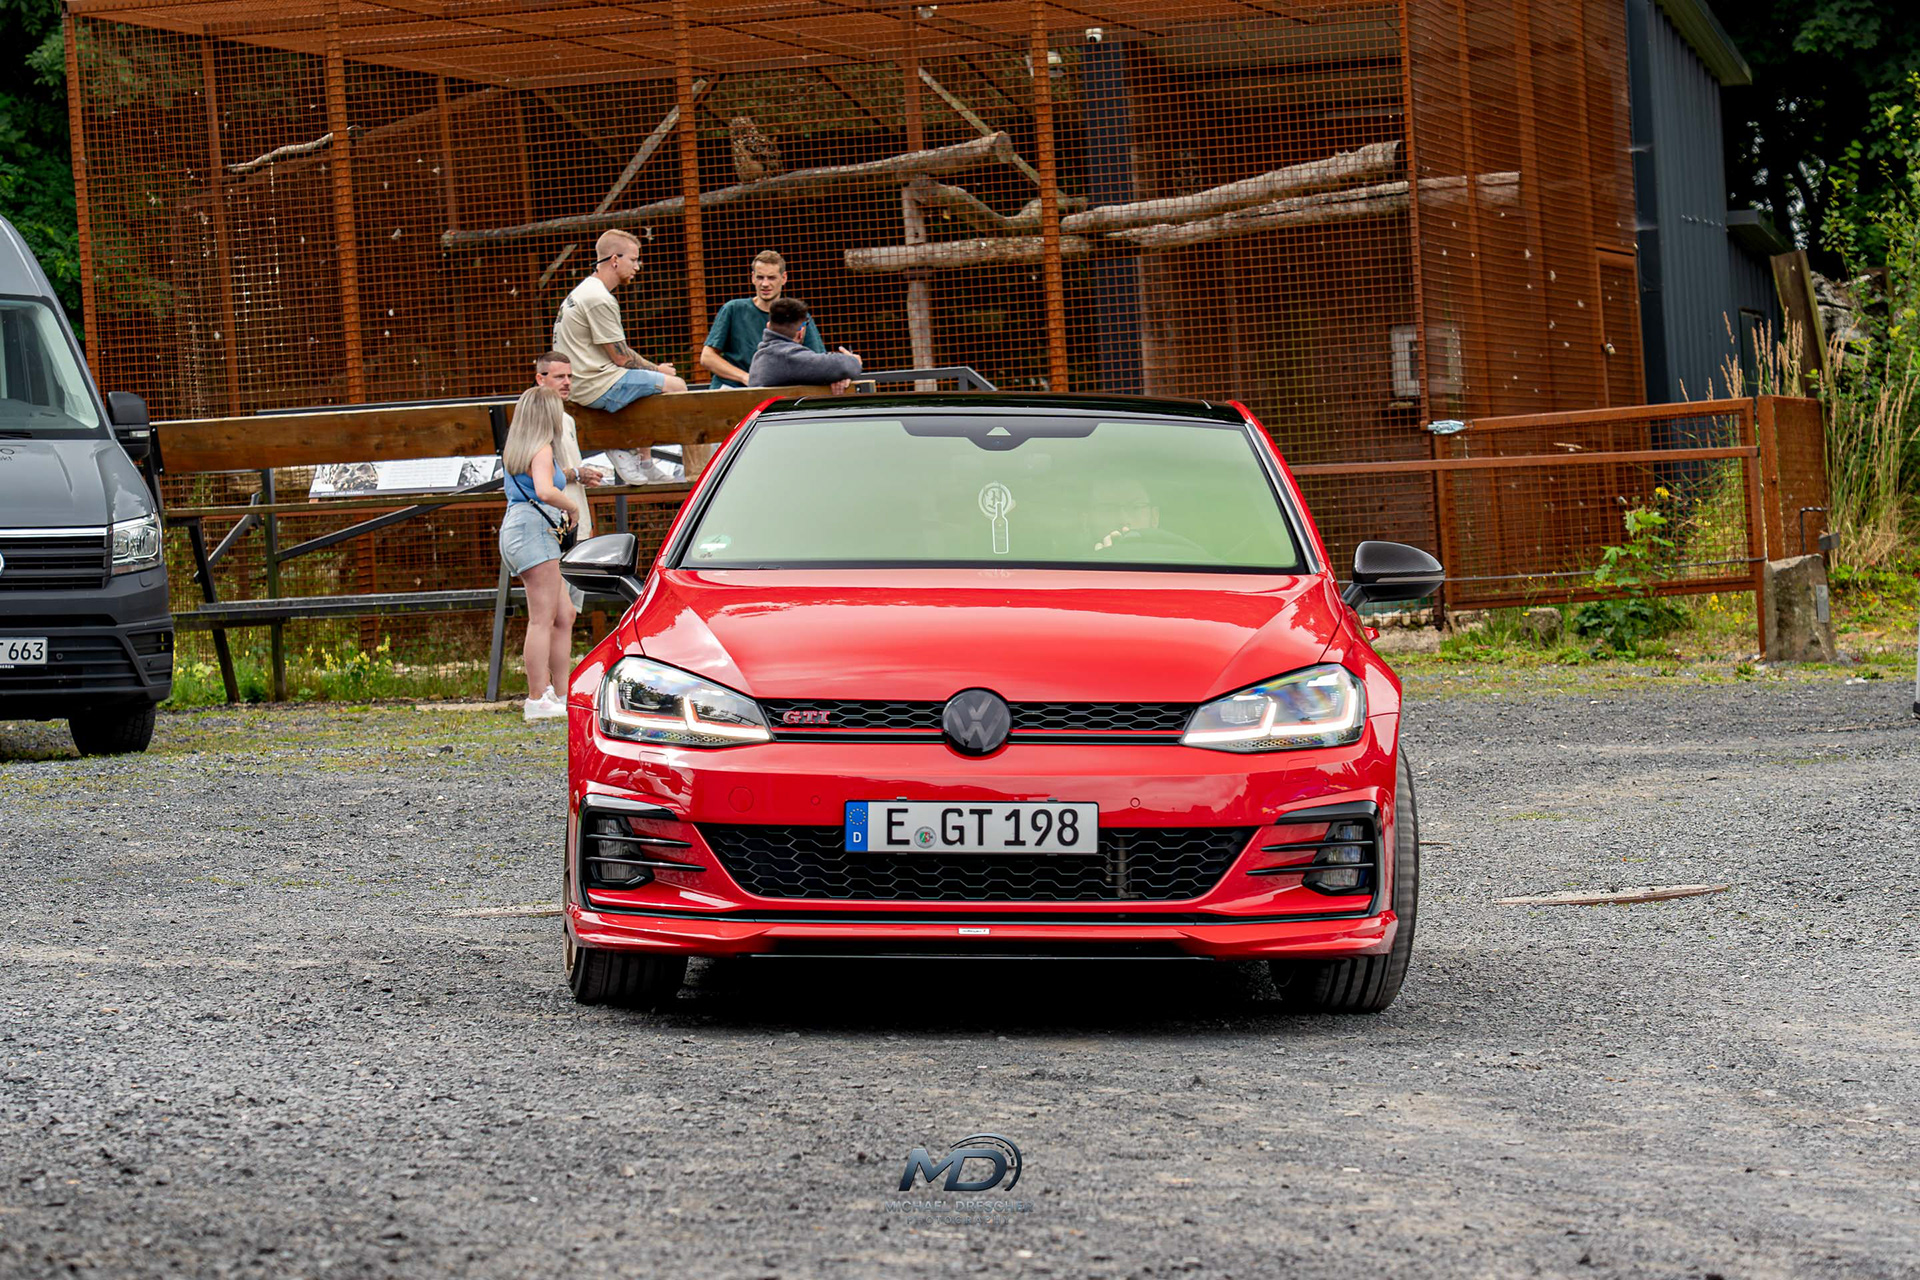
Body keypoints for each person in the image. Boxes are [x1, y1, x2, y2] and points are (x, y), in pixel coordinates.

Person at [497, 386, 584, 722]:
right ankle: (537, 697)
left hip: (521, 528)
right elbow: (546, 491)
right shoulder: (543, 449)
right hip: (534, 530)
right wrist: (572, 506)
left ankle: (562, 692)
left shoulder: (518, 449)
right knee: (542, 618)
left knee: (564, 615)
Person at [552, 229, 690, 411]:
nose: (637, 267)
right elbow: (622, 358)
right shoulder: (598, 298)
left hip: (581, 385)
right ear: (615, 260)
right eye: (633, 260)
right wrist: (658, 370)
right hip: (596, 386)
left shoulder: (583, 290)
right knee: (677, 385)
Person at [532, 352, 607, 610]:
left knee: (572, 610)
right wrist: (576, 473)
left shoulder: (567, 419)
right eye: (559, 377)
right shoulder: (536, 417)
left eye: (569, 377)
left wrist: (586, 524)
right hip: (553, 525)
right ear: (540, 379)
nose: (566, 382)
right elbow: (538, 476)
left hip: (576, 525)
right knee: (555, 610)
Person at [700, 250, 826, 389]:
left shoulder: (797, 315)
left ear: (784, 278)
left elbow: (818, 361)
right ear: (753, 278)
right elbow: (707, 357)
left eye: (771, 278)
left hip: (776, 392)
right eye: (760, 277)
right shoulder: (733, 309)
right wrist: (745, 377)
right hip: (731, 390)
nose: (765, 284)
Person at [746, 297, 863, 391]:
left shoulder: (764, 355)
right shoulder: (788, 357)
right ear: (801, 332)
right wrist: (854, 360)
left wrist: (836, 377)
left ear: (768, 326)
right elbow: (843, 366)